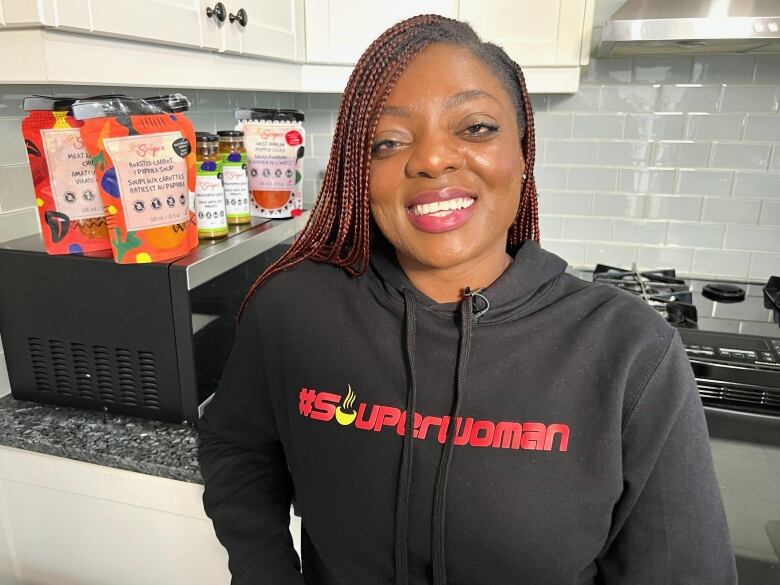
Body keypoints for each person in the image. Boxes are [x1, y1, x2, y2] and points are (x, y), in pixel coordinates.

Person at [197, 14, 736, 585]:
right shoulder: (294, 311)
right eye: (388, 141)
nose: (431, 159)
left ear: (523, 154)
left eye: (476, 128)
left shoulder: (629, 351)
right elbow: (236, 446)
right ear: (361, 173)